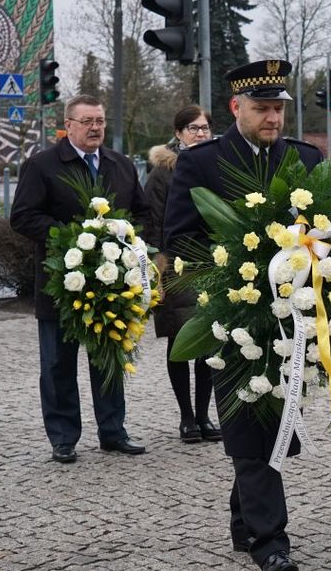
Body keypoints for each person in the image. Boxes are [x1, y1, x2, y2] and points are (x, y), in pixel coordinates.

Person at [164, 60, 323, 571]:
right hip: (234, 318)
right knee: (248, 422)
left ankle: (244, 518)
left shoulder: (305, 158)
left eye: (279, 108)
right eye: (262, 109)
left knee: (272, 420)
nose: (273, 118)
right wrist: (237, 267)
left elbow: (327, 228)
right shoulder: (202, 163)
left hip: (292, 315)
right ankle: (269, 541)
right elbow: (180, 240)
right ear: (237, 108)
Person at [10, 94, 150, 464]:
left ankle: (113, 431)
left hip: (113, 282)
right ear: (68, 125)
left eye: (100, 121)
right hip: (62, 282)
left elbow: (142, 213)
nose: (95, 128)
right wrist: (70, 237)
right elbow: (23, 216)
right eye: (87, 121)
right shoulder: (42, 165)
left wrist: (125, 236)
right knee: (57, 363)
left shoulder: (120, 165)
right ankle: (63, 437)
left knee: (108, 358)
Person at [142, 105, 221, 444]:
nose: (200, 133)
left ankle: (204, 415)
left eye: (204, 128)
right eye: (193, 128)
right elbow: (155, 224)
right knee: (180, 341)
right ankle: (186, 417)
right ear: (178, 133)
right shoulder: (163, 171)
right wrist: (156, 272)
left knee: (208, 343)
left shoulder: (217, 164)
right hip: (175, 266)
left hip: (212, 265)